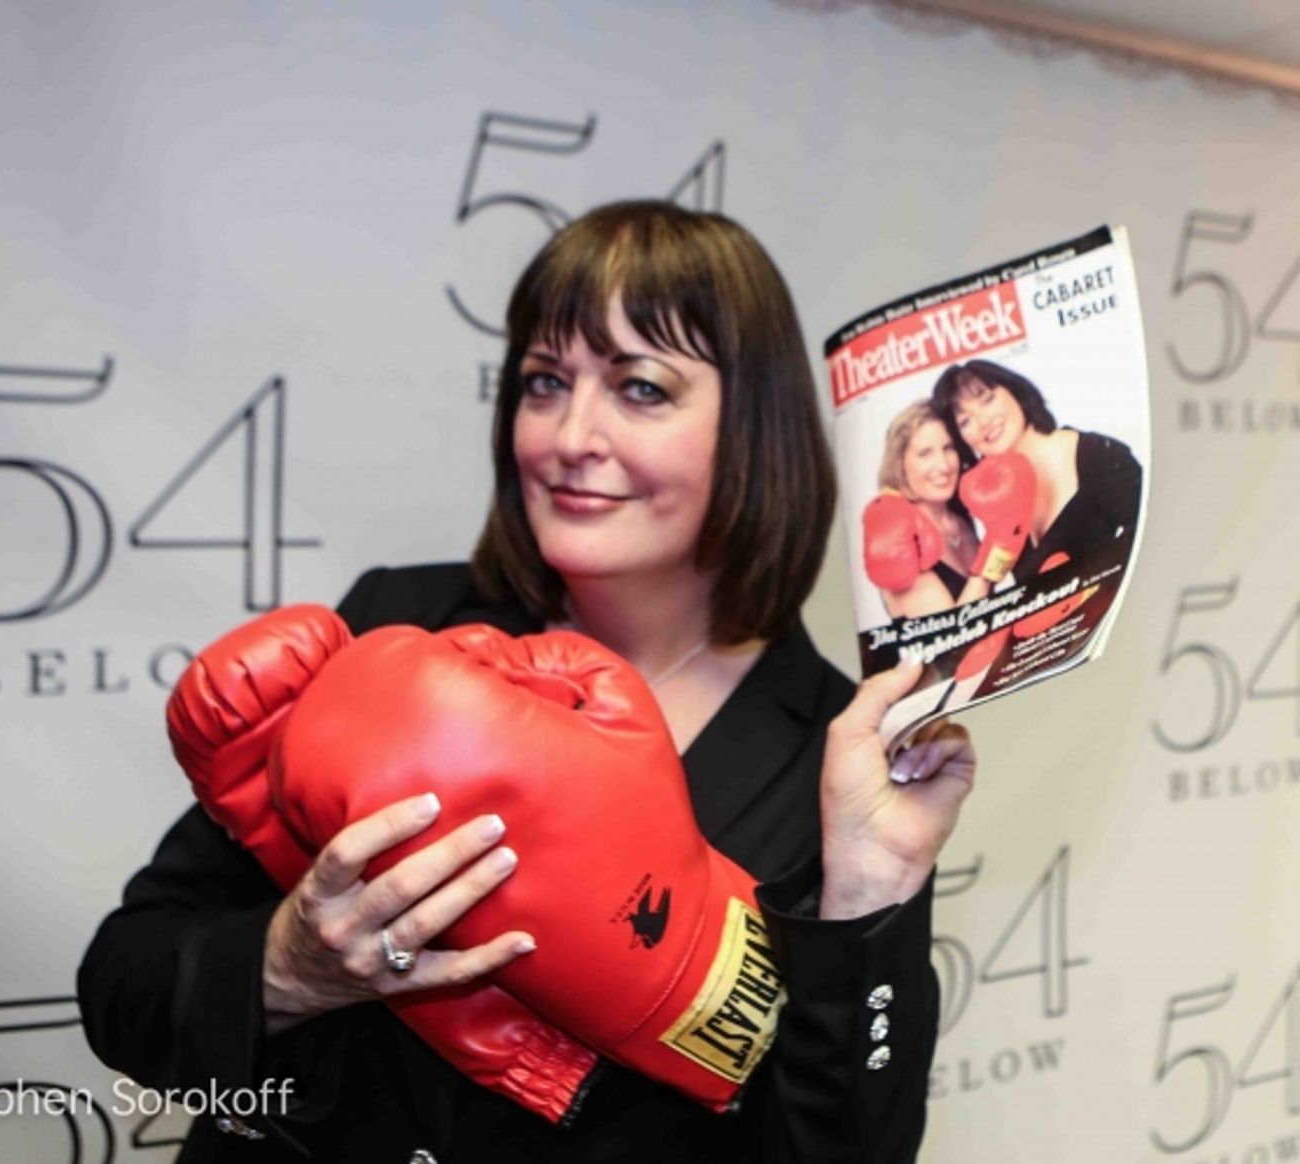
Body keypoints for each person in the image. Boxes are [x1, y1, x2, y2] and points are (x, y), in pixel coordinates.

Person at [79, 201, 975, 1163]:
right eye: (545, 382)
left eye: (640, 389)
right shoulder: (395, 628)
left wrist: (873, 891)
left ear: (756, 430)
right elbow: (124, 985)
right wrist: (289, 968)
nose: (569, 435)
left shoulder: (834, 758)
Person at [929, 359, 1142, 582]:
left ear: (1015, 392)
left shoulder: (1100, 455)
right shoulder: (999, 501)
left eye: (988, 400)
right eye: (965, 421)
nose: (983, 422)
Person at [867, 400, 987, 619]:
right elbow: (952, 634)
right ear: (900, 465)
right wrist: (994, 560)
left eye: (948, 448)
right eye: (925, 453)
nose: (943, 465)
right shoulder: (898, 535)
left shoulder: (960, 520)